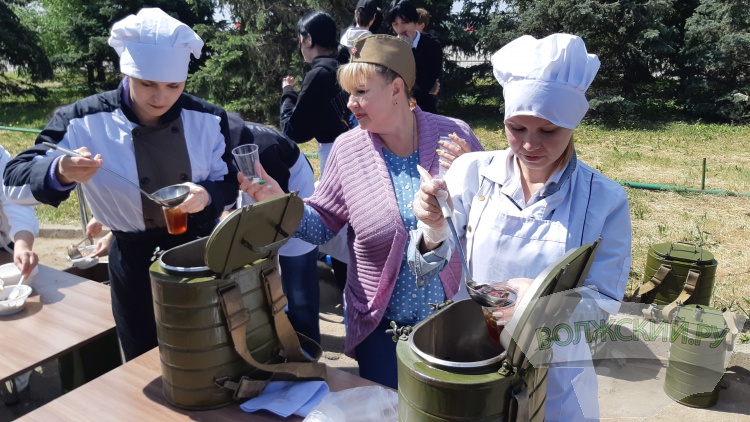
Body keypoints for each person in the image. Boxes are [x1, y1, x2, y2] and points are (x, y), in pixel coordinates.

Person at [241, 35, 483, 388]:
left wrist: (474, 173)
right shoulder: (348, 150)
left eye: (361, 92)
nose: (350, 103)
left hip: (451, 323)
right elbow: (322, 225)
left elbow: (488, 217)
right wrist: (279, 202)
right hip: (381, 327)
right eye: (348, 93)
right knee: (382, 407)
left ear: (396, 89)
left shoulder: (454, 136)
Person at [411, 33, 632, 421]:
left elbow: (603, 305)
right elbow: (424, 268)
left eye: (548, 131)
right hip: (477, 360)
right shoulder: (472, 172)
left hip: (558, 376)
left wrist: (541, 306)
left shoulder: (604, 201)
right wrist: (433, 228)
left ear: (573, 124)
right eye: (516, 128)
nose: (530, 145)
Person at [3, 8, 238, 361]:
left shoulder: (208, 118)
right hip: (132, 259)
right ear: (126, 73)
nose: (160, 98)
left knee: (208, 351)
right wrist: (60, 172)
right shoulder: (82, 120)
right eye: (147, 84)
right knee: (143, 358)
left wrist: (207, 194)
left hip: (199, 253)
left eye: (173, 86)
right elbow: (14, 179)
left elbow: (230, 183)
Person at [225, 113, 321, 343]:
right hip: (255, 185)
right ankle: (280, 333)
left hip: (291, 191)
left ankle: (308, 345)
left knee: (298, 281)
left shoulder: (263, 150)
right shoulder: (215, 142)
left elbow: (277, 208)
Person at [281, 10, 352, 177]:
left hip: (334, 157)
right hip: (356, 148)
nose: (299, 46)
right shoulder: (344, 64)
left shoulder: (318, 75)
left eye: (300, 40)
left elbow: (293, 131)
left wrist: (288, 93)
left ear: (308, 39)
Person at [386, 0, 442, 114]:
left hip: (424, 110)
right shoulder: (389, 47)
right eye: (395, 24)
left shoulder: (432, 45)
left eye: (404, 22)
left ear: (414, 21)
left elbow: (425, 84)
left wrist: (410, 50)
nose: (400, 28)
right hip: (396, 110)